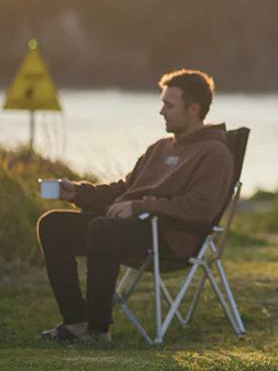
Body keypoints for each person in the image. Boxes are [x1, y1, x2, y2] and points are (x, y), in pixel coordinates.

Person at [37, 69, 234, 345]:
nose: (161, 111)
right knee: (52, 225)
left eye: (169, 105)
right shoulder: (159, 148)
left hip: (169, 235)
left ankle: (98, 330)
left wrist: (142, 207)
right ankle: (76, 322)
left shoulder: (215, 153)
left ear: (193, 109)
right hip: (129, 228)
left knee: (103, 229)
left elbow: (200, 207)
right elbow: (124, 189)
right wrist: (79, 193)